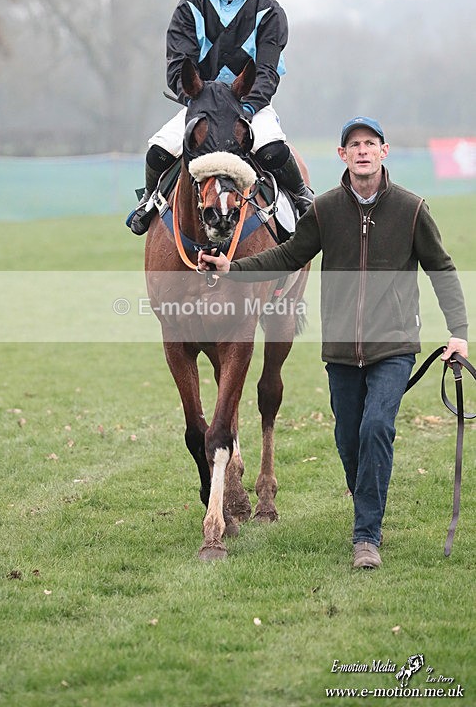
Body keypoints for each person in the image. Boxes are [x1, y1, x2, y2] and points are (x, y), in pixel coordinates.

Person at [198, 116, 469, 569]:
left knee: (376, 427)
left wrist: (458, 334)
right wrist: (232, 269)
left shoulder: (411, 209)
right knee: (348, 439)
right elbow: (287, 256)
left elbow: (441, 269)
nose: (363, 150)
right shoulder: (324, 210)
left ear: (384, 152)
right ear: (342, 155)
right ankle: (366, 499)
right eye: (354, 145)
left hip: (394, 346)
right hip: (341, 352)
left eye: (371, 143)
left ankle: (366, 537)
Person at [128, 0, 312, 235]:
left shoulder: (269, 12)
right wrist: (197, 102)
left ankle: (302, 199)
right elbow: (177, 70)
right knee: (158, 151)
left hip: (248, 104)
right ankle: (150, 198)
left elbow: (266, 74)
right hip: (200, 105)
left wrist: (246, 108)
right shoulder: (188, 8)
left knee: (273, 150)